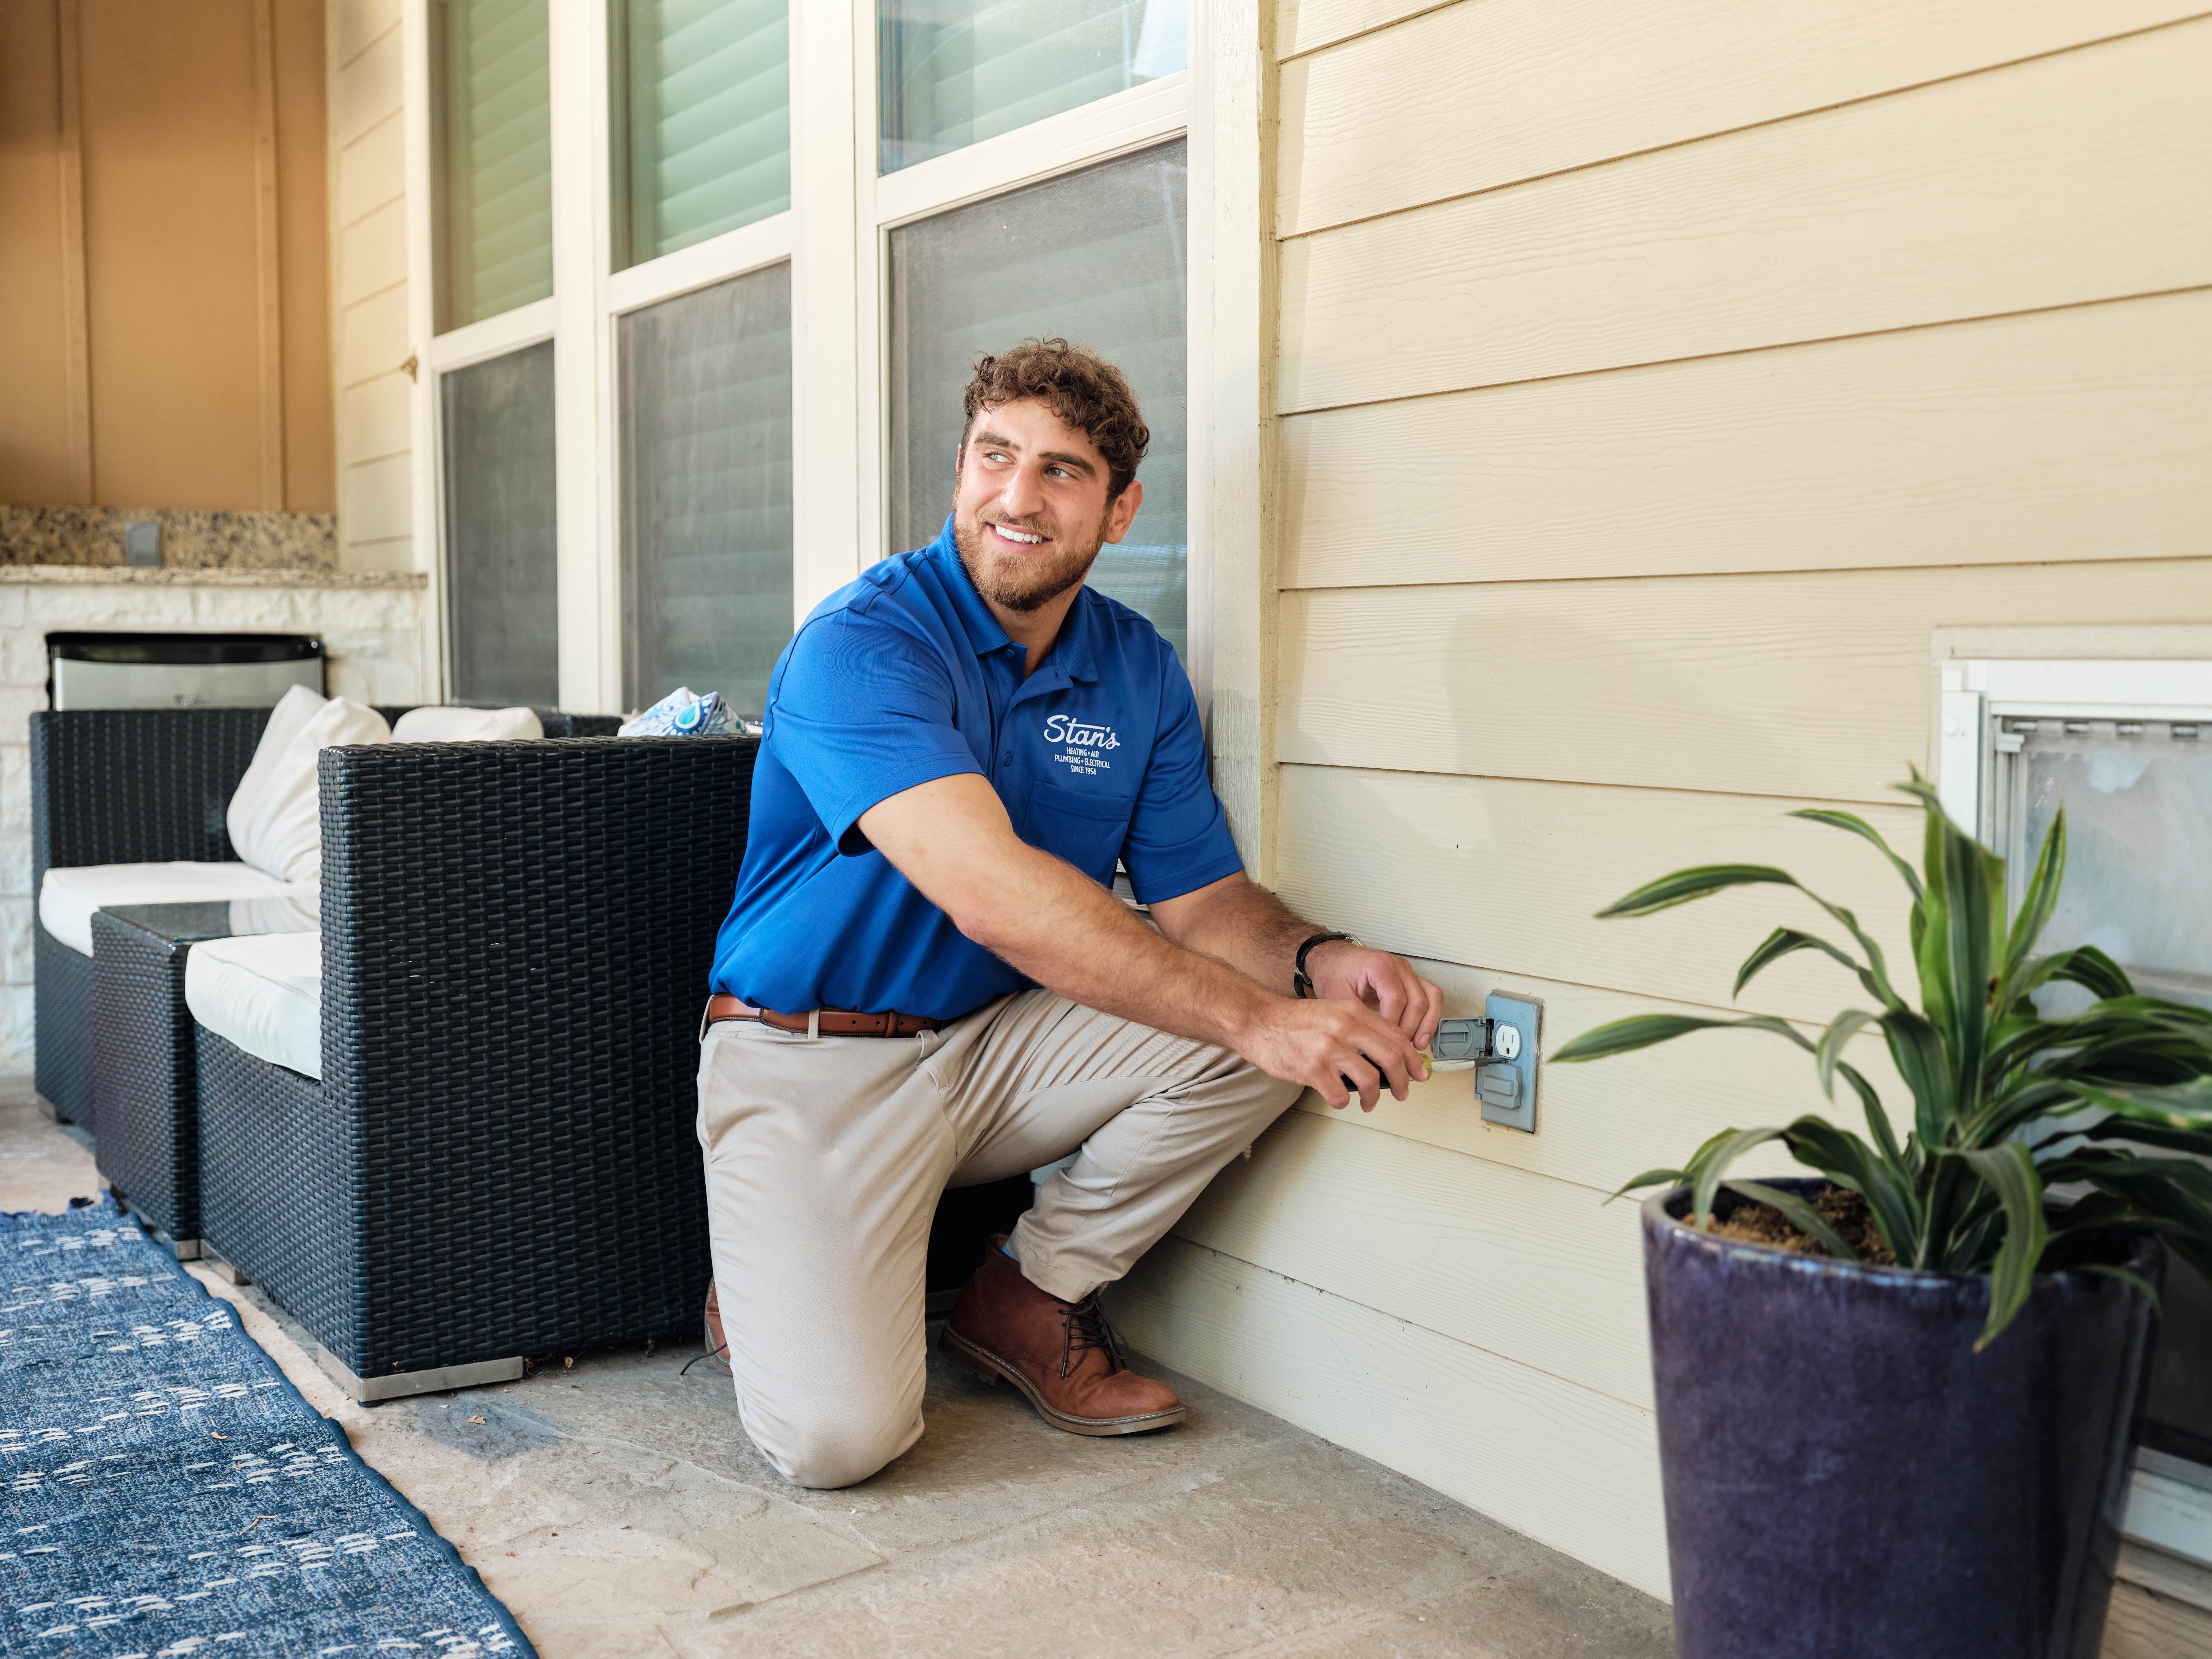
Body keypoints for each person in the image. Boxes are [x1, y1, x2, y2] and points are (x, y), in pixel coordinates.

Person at [697, 338, 1442, 1489]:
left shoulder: (1136, 671)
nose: (1019, 496)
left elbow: (1205, 906)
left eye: (1062, 471)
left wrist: (1317, 959)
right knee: (840, 1444)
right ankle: (775, 1254)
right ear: (960, 470)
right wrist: (1256, 1020)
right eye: (996, 456)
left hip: (996, 1046)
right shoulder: (866, 642)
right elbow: (991, 891)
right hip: (811, 1060)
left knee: (1284, 1015)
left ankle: (1028, 1296)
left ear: (1120, 507)